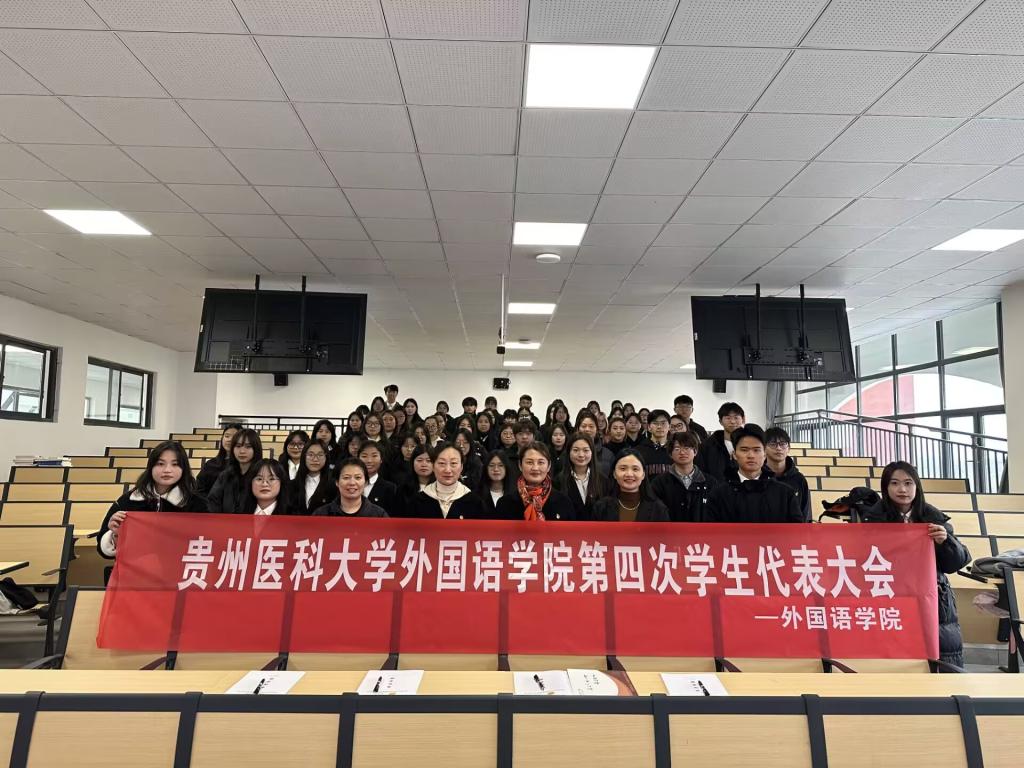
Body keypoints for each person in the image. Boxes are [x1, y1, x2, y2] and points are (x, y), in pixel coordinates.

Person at [860, 461, 971, 667]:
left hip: (933, 597)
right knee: (895, 661)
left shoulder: (933, 518)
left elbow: (956, 563)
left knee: (938, 661)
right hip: (889, 596)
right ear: (886, 487)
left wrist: (946, 542)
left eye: (908, 483)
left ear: (917, 486)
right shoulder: (872, 520)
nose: (902, 489)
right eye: (894, 483)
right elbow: (860, 560)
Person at [98, 441, 208, 558]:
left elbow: (207, 543)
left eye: (175, 464)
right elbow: (104, 552)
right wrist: (115, 534)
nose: (167, 470)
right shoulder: (128, 500)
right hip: (137, 567)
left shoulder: (197, 504)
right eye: (160, 464)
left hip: (180, 566)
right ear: (151, 467)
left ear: (183, 469)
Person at [705, 425, 803, 523]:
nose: (751, 455)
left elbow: (797, 529)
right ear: (734, 454)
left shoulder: (785, 494)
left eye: (756, 450)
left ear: (764, 454)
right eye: (744, 450)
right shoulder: (718, 494)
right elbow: (710, 530)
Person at [496, 443, 575, 521]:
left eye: (541, 462)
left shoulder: (564, 502)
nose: (535, 468)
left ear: (549, 466)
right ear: (520, 465)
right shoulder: (505, 503)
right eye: (529, 462)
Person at [650, 431, 717, 523]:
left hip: (702, 531)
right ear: (670, 454)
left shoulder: (710, 482)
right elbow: (654, 512)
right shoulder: (659, 483)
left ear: (695, 451)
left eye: (686, 448)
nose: (682, 452)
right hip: (669, 531)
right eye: (677, 448)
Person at [408, 442, 486, 520]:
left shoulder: (475, 502)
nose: (448, 470)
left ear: (461, 467)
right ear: (433, 466)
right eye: (442, 463)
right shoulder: (417, 501)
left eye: (453, 463)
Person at [591, 449, 670, 522]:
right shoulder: (601, 508)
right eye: (623, 468)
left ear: (643, 475)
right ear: (614, 474)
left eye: (635, 469)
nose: (629, 474)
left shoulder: (659, 509)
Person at [207, 429, 262, 513]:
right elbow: (213, 501)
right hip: (225, 520)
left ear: (256, 448)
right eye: (238, 446)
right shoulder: (226, 475)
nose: (242, 451)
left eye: (248, 447)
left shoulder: (262, 475)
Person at [313, 458, 388, 518]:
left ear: (365, 482)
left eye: (358, 477)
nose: (352, 483)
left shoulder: (379, 515)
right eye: (346, 477)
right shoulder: (321, 514)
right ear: (337, 482)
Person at [764, 427, 811, 522]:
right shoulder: (758, 477)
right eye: (773, 444)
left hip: (794, 530)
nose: (778, 448)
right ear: (764, 448)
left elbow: (805, 513)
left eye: (782, 444)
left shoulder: (799, 479)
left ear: (789, 448)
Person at [556, 433, 606, 521]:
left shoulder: (603, 480)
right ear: (569, 452)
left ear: (592, 452)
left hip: (596, 528)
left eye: (586, 450)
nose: (581, 455)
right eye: (576, 450)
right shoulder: (558, 480)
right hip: (569, 528)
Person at [696, 402, 745, 481]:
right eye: (728, 418)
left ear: (742, 419)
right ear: (720, 421)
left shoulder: (751, 444)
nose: (732, 421)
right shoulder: (707, 446)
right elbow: (701, 472)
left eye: (736, 417)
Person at [289, 439, 336, 515]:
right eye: (310, 455)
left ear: (326, 457)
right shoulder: (291, 485)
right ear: (304, 457)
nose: (315, 459)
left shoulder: (333, 486)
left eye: (320, 455)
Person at [195, 422, 242, 495]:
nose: (229, 439)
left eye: (234, 437)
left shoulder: (244, 465)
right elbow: (199, 489)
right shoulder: (210, 464)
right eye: (227, 436)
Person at [358, 441, 398, 514]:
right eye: (364, 456)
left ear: (381, 460)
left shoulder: (390, 488)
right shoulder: (349, 485)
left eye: (374, 456)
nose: (369, 461)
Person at [475, 450, 515, 517]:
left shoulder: (515, 496)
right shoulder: (476, 496)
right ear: (486, 469)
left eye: (500, 465)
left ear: (506, 468)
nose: (496, 469)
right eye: (491, 465)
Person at [638, 409, 672, 477]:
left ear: (669, 427)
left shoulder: (674, 449)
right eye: (655, 423)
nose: (659, 426)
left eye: (663, 423)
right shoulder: (639, 451)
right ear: (649, 427)